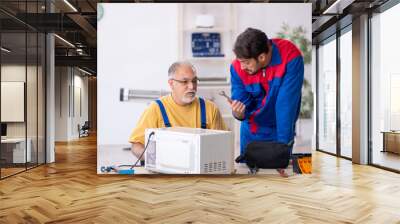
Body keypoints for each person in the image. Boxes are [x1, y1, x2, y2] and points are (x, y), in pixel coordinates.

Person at [230, 27, 304, 159]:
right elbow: (241, 102)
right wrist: (238, 114)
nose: (241, 67)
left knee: (279, 173)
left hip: (280, 131)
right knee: (248, 175)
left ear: (262, 57)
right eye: (240, 61)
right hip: (251, 132)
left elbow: (285, 105)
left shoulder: (290, 56)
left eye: (246, 62)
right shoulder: (237, 67)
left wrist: (283, 148)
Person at [129, 61, 227, 160]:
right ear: (171, 84)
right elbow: (136, 145)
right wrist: (153, 158)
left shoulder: (210, 109)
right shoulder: (156, 108)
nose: (192, 87)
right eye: (185, 82)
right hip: (165, 171)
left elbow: (222, 145)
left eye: (194, 81)